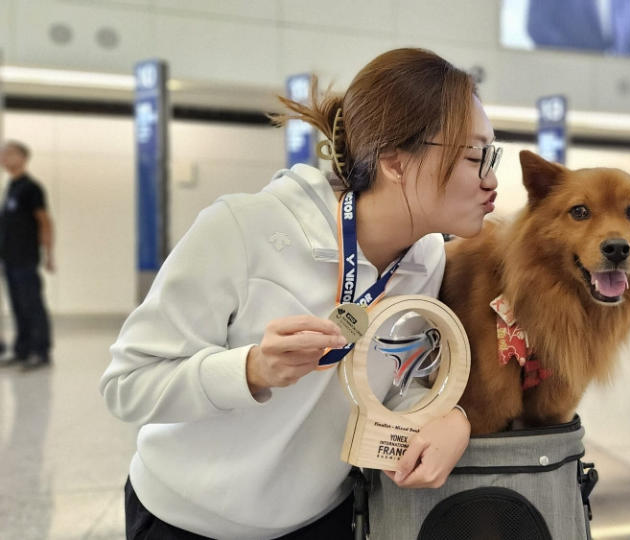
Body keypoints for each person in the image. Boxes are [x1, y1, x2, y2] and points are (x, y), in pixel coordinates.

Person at [100, 48, 500, 539]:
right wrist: (250, 369)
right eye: (475, 155)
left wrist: (453, 419)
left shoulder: (428, 258)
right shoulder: (244, 228)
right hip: (183, 519)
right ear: (396, 160)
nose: (492, 180)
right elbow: (126, 385)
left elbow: (400, 378)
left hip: (322, 520)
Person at [0, 140, 54, 370]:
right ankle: (22, 351)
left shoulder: (32, 188)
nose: (4, 158)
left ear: (23, 157)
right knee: (17, 306)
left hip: (26, 257)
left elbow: (45, 222)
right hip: (9, 258)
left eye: (9, 153)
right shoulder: (11, 187)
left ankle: (40, 352)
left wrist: (49, 254)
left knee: (32, 304)